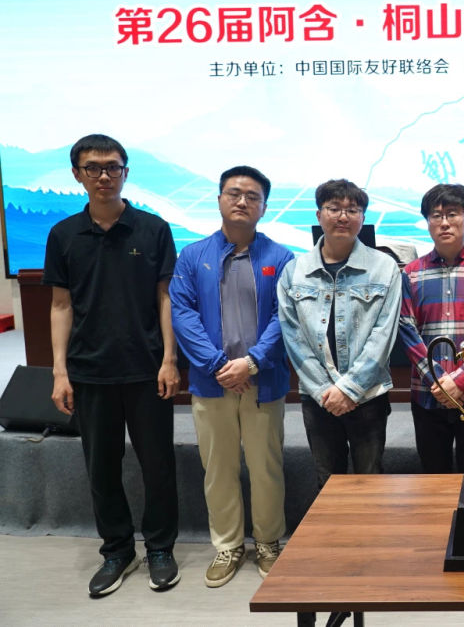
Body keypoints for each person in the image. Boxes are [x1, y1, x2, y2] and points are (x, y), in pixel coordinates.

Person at [44, 134, 181, 596]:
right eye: (93, 167)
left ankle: (160, 547)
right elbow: (60, 305)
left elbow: (166, 298)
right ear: (77, 174)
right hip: (89, 371)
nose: (104, 175)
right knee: (101, 469)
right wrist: (60, 372)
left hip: (147, 369)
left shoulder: (153, 229)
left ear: (126, 172)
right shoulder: (63, 234)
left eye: (112, 167)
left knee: (158, 465)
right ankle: (117, 551)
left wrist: (169, 358)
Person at [169, 166, 294, 587]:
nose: (242, 201)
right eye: (234, 193)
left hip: (263, 382)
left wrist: (252, 362)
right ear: (220, 198)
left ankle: (268, 542)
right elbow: (183, 314)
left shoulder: (281, 258)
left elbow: (284, 318)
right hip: (212, 383)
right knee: (218, 468)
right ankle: (228, 545)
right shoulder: (193, 256)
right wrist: (219, 366)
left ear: (264, 206)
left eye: (252, 196)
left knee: (266, 467)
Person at [278, 179, 402, 487]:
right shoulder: (294, 271)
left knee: (370, 481)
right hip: (318, 397)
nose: (343, 216)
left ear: (363, 217)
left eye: (352, 210)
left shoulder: (384, 267)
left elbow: (383, 335)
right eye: (334, 208)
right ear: (319, 215)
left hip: (368, 396)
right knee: (328, 481)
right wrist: (325, 391)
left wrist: (349, 389)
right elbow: (293, 338)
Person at [398, 184, 464, 473]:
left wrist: (459, 381)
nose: (444, 222)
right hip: (427, 393)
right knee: (433, 478)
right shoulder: (411, 273)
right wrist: (438, 379)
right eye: (436, 215)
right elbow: (407, 330)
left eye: (452, 214)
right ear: (427, 222)